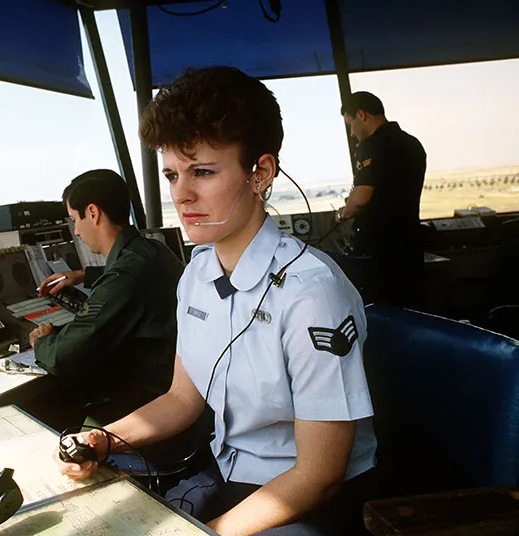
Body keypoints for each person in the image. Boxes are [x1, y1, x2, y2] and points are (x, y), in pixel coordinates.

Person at [56, 67, 378, 535]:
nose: (182, 195)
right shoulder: (198, 273)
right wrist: (103, 440)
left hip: (305, 500)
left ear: (260, 173)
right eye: (172, 175)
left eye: (203, 172)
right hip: (230, 472)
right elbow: (183, 398)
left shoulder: (312, 293)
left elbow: (319, 476)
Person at [29, 169, 184, 425]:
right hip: (175, 390)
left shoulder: (122, 280)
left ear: (93, 213)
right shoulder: (154, 250)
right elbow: (132, 273)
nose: (76, 231)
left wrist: (43, 342)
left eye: (75, 220)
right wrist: (82, 275)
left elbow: (64, 356)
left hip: (146, 406)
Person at [337, 91, 427, 307]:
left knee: (379, 312)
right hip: (410, 244)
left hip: (379, 250)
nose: (351, 133)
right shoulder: (412, 143)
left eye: (351, 124)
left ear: (361, 114)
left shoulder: (371, 146)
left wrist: (342, 213)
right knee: (409, 311)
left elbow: (360, 199)